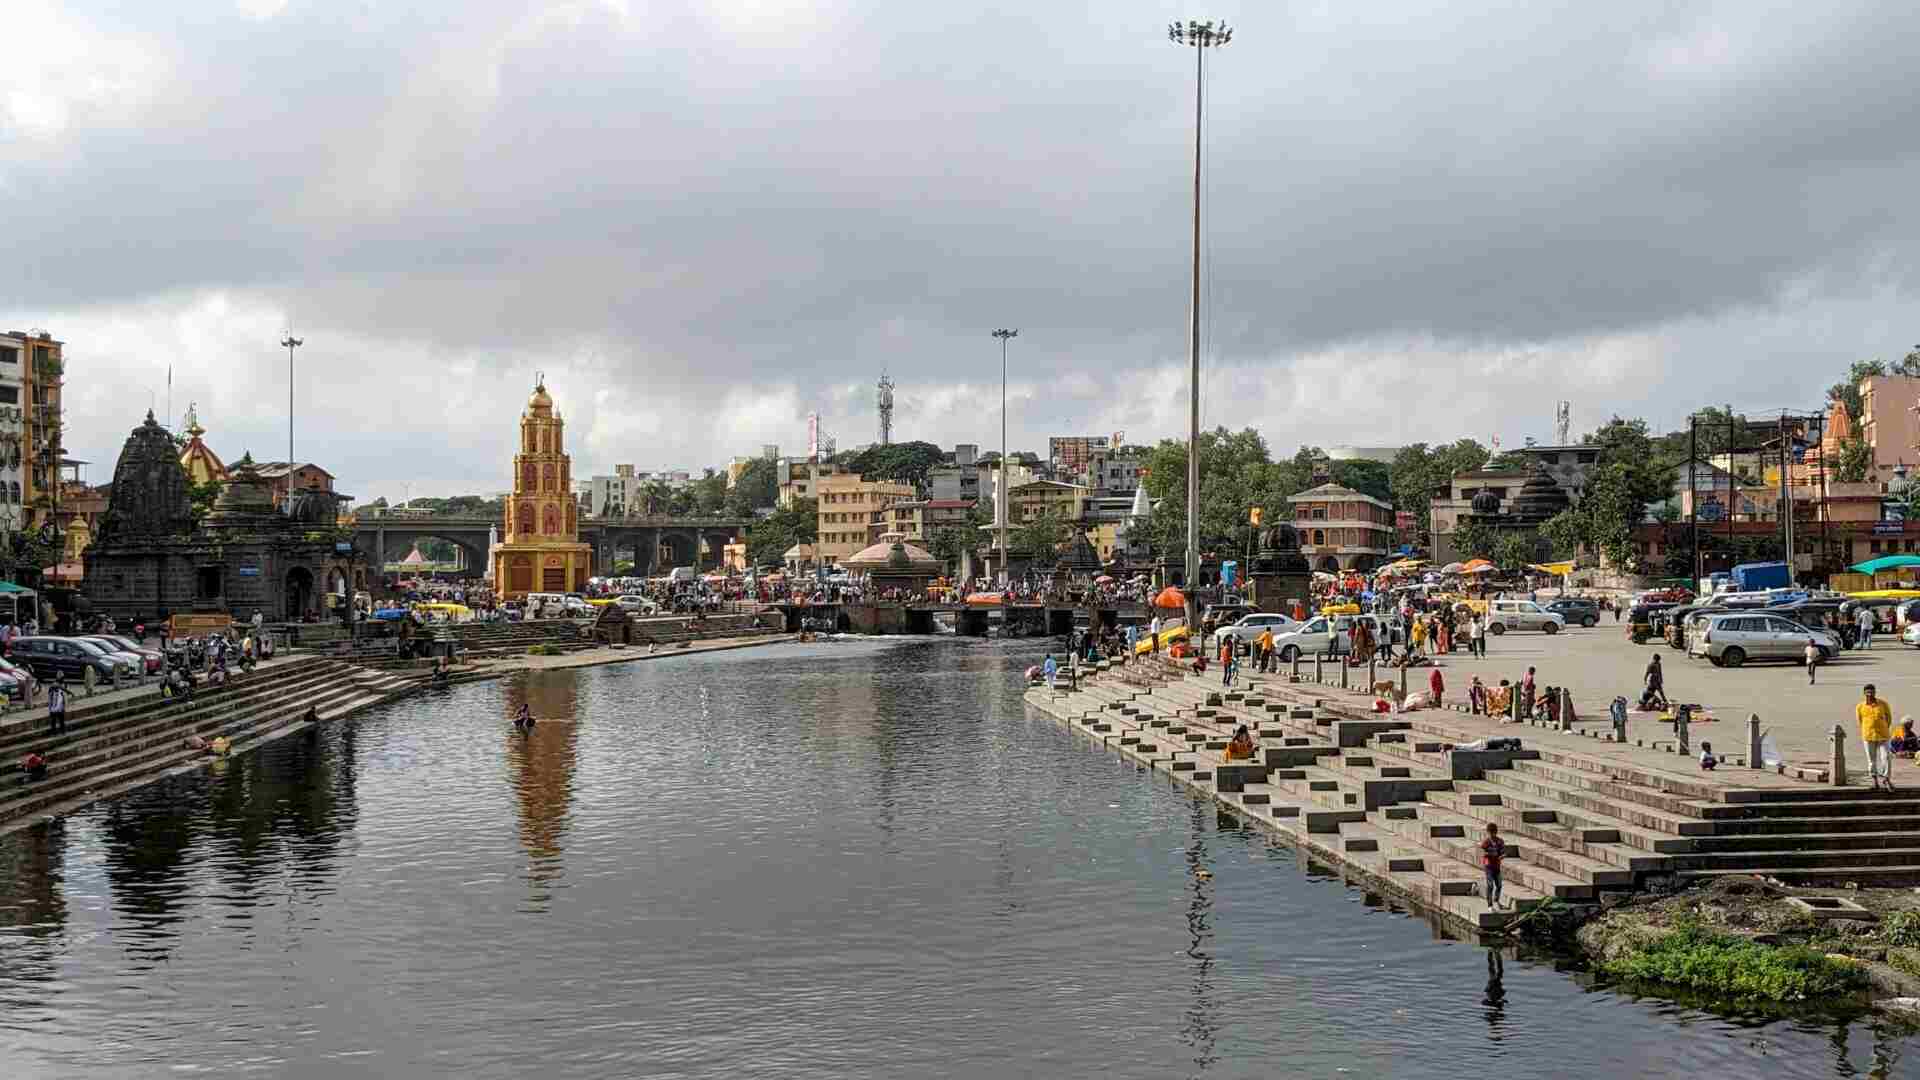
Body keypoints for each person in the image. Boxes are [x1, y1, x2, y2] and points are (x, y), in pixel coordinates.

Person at [1859, 685, 1895, 791]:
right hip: (1868, 736)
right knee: (1871, 760)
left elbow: (1889, 719)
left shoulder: (1883, 704)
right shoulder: (1860, 706)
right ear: (1864, 693)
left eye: (1872, 692)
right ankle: (1875, 781)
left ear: (1875, 693)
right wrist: (1868, 728)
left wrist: (1883, 728)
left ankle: (1886, 779)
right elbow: (1860, 721)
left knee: (1887, 757)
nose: (1870, 694)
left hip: (1883, 735)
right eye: (1868, 692)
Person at [1481, 822, 1507, 910]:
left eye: (1493, 833)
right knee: (1490, 885)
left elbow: (1503, 852)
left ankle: (1496, 901)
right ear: (1488, 832)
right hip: (1488, 866)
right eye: (1490, 833)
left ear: (1496, 832)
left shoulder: (1500, 841)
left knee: (1499, 884)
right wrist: (1488, 854)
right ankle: (1490, 905)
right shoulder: (1486, 842)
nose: (1492, 835)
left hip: (1497, 866)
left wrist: (1502, 856)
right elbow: (1482, 851)